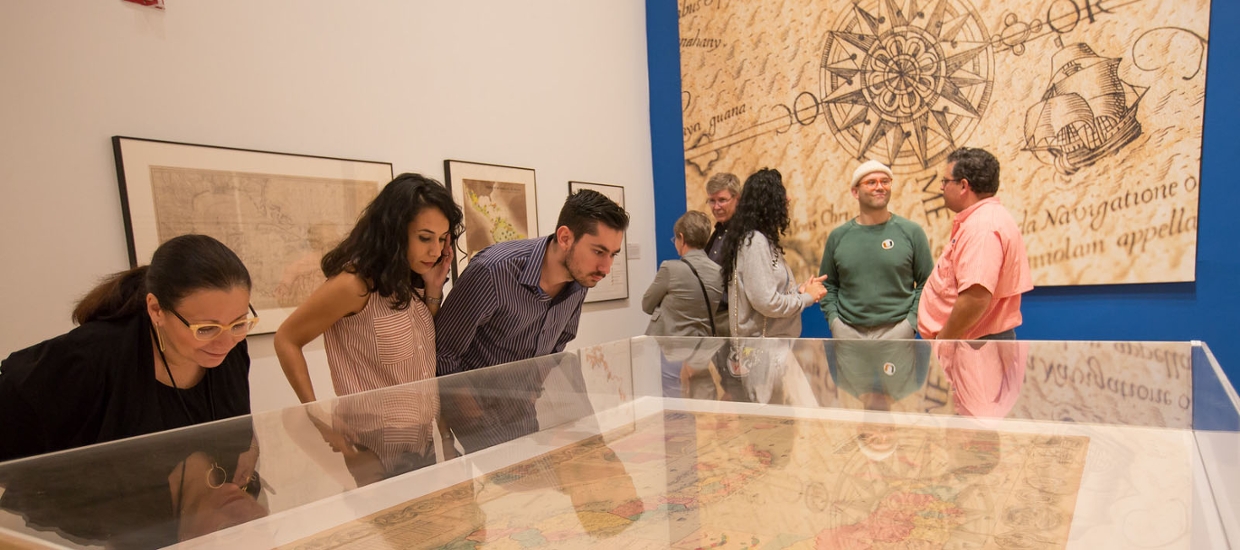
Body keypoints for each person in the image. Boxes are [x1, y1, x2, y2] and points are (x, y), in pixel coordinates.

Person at [0, 234, 255, 462]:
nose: (226, 342)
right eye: (206, 328)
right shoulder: (94, 356)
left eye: (239, 323)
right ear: (156, 309)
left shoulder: (230, 350)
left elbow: (238, 444)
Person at [276, 173, 463, 407]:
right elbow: (287, 339)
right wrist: (315, 416)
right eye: (425, 238)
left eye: (442, 239)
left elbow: (421, 349)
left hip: (421, 435)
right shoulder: (353, 285)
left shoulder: (407, 279)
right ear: (394, 231)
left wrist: (433, 288)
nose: (436, 251)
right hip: (369, 438)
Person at [434, 189, 629, 375]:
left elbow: (557, 346)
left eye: (613, 255)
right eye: (598, 252)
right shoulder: (493, 271)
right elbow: (443, 352)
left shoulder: (580, 279)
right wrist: (472, 408)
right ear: (565, 238)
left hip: (525, 406)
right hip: (472, 405)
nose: (606, 268)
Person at [918, 147, 1033, 340]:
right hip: (974, 343)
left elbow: (975, 297)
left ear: (963, 186)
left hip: (974, 347)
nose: (941, 187)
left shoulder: (982, 228)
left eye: (945, 181)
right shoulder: (985, 219)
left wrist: (944, 342)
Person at [820, 159, 934, 340]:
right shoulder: (838, 237)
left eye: (885, 181)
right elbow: (828, 285)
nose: (880, 187)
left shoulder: (912, 232)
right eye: (871, 182)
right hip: (849, 334)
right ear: (855, 192)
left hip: (898, 332)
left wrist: (910, 324)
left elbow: (927, 284)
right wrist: (835, 323)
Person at [721, 168, 827, 339]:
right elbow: (767, 303)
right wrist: (807, 297)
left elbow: (768, 294)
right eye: (781, 194)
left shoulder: (761, 240)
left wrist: (799, 291)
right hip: (763, 351)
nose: (788, 198)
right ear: (768, 202)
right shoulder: (755, 242)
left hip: (772, 348)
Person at [642, 210, 727, 338]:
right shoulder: (719, 273)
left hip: (666, 346)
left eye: (675, 238)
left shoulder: (670, 269)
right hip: (699, 346)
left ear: (681, 238)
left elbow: (647, 305)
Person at [703, 172, 741, 264]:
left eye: (722, 200)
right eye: (712, 201)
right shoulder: (717, 232)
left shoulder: (744, 234)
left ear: (737, 199)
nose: (716, 207)